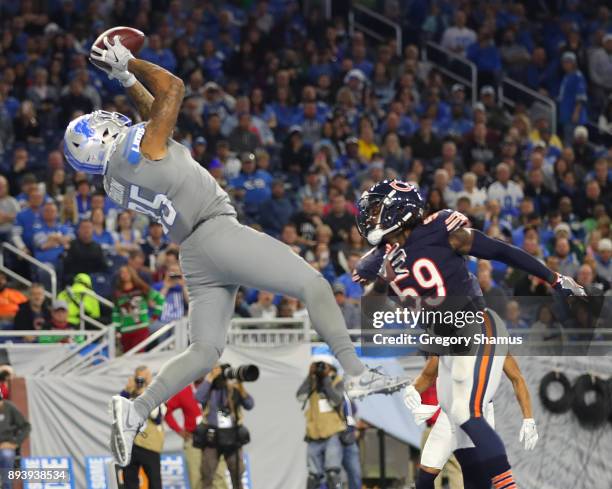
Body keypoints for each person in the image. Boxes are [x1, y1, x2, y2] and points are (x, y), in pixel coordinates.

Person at [74, 36, 406, 466]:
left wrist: (123, 79)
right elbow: (172, 91)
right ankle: (357, 376)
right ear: (101, 135)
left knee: (205, 350)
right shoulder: (137, 151)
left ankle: (135, 409)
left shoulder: (114, 178)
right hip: (216, 232)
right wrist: (132, 63)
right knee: (314, 284)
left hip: (193, 253)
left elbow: (153, 119)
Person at [355, 179, 583, 488]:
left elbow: (502, 251)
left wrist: (553, 278)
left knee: (465, 413)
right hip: (446, 342)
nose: (371, 217)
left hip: (471, 328)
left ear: (400, 210)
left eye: (379, 210)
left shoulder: (442, 230)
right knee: (460, 438)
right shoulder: (384, 257)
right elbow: (370, 305)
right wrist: (379, 269)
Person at [404, 353, 537, 489]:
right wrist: (412, 393)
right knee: (426, 476)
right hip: (450, 414)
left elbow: (517, 378)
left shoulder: (494, 342)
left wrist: (528, 418)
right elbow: (428, 376)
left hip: (477, 413)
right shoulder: (447, 340)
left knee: (476, 479)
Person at [195, 364, 254, 489]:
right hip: (212, 437)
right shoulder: (209, 389)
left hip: (232, 437)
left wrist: (240, 386)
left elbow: (250, 404)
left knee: (237, 475)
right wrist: (210, 377)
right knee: (207, 476)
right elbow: (198, 397)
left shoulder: (233, 388)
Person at [296, 356, 346, 489]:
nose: (320, 368)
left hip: (332, 433)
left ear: (331, 367)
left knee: (333, 472)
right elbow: (300, 397)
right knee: (313, 475)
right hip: (313, 435)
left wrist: (325, 380)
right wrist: (309, 376)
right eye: (317, 365)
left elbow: (336, 401)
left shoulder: (337, 381)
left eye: (323, 366)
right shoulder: (312, 383)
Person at [120, 366, 165, 489]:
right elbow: (118, 411)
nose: (141, 382)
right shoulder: (129, 393)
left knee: (154, 481)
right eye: (138, 378)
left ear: (150, 378)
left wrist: (145, 395)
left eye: (144, 378)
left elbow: (157, 418)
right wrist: (126, 392)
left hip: (149, 444)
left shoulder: (156, 393)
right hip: (130, 444)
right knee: (129, 480)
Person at [165, 378, 206, 489]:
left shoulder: (213, 388)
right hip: (193, 440)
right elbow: (166, 411)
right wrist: (179, 430)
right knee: (196, 479)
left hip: (213, 440)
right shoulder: (184, 392)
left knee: (218, 477)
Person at [112, 266, 164, 353]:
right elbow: (116, 313)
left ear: (132, 274)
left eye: (126, 272)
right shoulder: (118, 293)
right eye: (121, 273)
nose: (124, 275)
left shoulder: (141, 289)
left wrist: (155, 316)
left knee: (139, 355)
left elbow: (160, 298)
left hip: (141, 329)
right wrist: (117, 329)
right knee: (128, 358)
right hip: (125, 331)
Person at [0, 389, 30, 489]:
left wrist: (14, 443)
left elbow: (26, 426)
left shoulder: (9, 408)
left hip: (5, 445)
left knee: (6, 454)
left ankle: (6, 486)